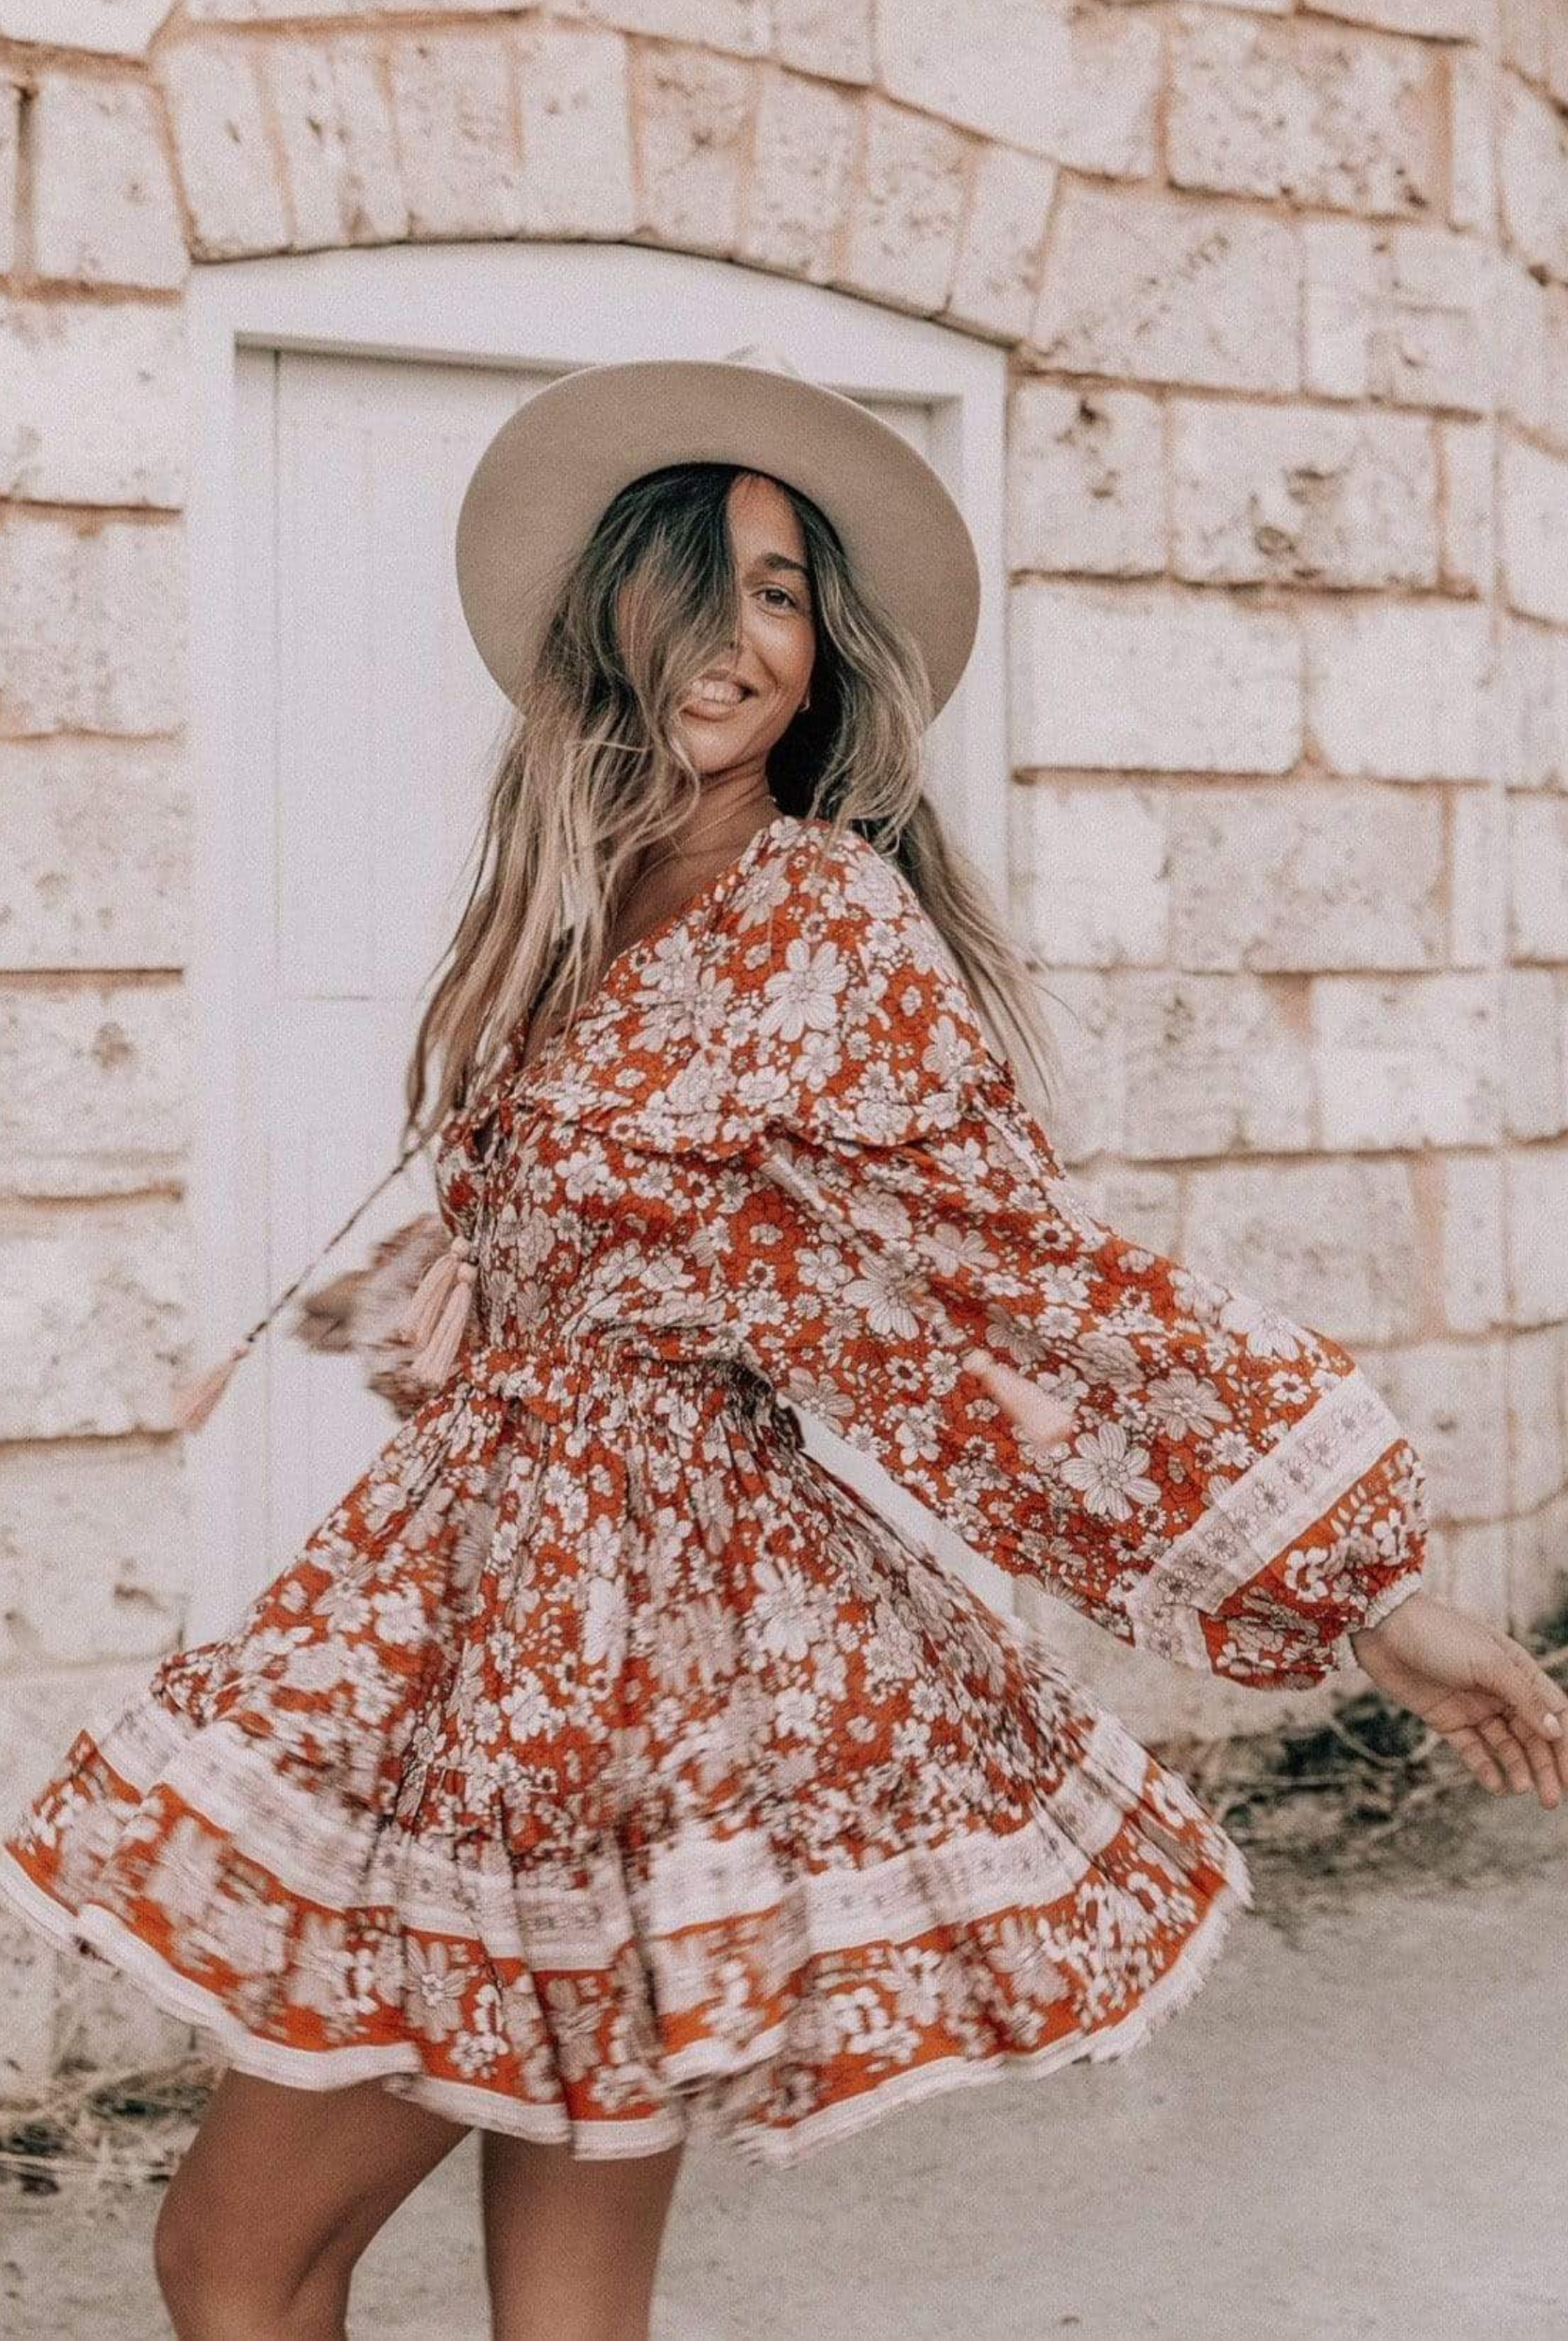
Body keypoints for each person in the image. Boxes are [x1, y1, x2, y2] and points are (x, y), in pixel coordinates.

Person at [2, 348, 1563, 2341]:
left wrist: (1373, 1601)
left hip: (604, 1667)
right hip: (504, 1613)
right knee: (556, 2311)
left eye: (783, 592)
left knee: (236, 2256)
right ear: (615, 616)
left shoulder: (823, 911)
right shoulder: (576, 898)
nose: (742, 633)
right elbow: (635, 1230)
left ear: (821, 663)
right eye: (705, 578)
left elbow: (1027, 1293)